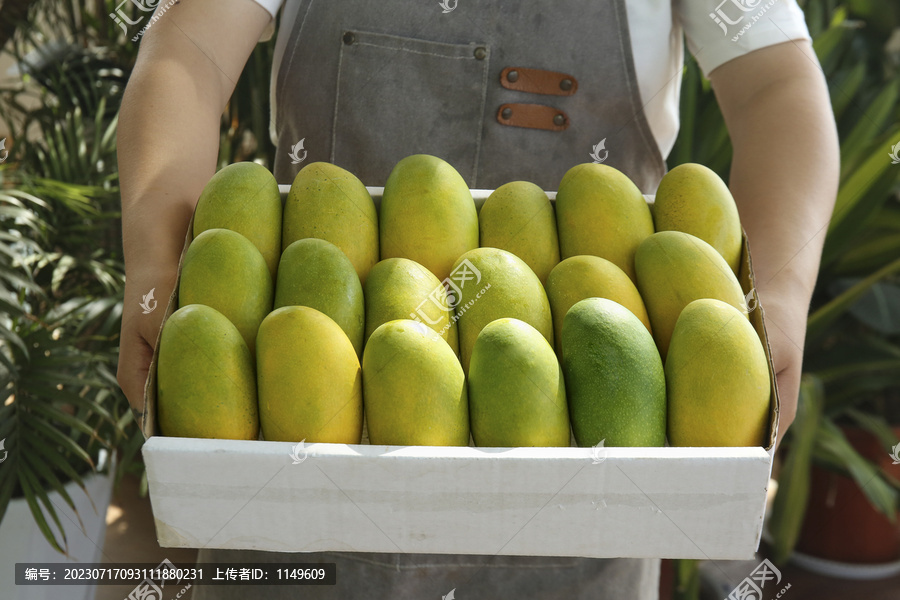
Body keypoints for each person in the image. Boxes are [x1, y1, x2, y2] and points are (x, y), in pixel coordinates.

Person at [116, 0, 839, 598]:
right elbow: (190, 47)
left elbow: (775, 84)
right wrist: (155, 261)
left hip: (592, 484)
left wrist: (776, 290)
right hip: (294, 474)